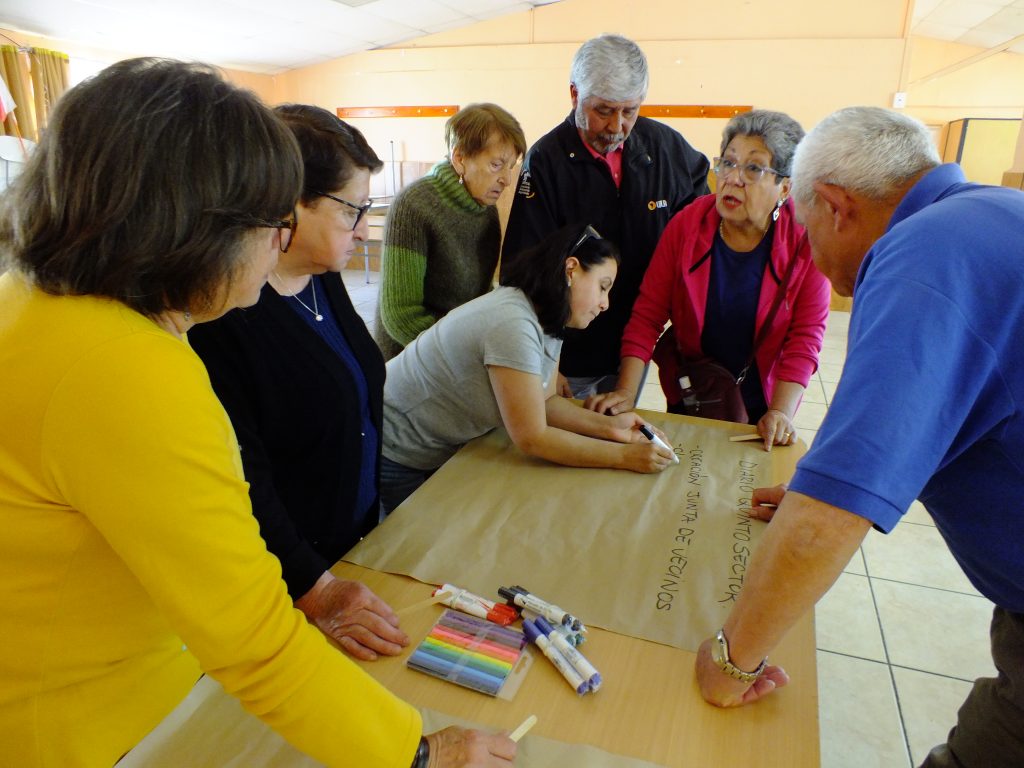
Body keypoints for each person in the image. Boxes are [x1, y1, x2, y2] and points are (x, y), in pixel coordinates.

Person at [0, 58, 513, 768]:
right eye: (273, 218)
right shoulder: (134, 371)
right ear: (194, 225)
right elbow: (252, 636)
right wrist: (418, 753)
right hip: (102, 728)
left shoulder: (34, 301)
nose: (279, 240)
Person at [692, 107, 1024, 768]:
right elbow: (912, 420)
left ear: (838, 207)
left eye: (806, 226)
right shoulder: (991, 212)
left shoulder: (920, 256)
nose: (808, 251)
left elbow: (828, 521)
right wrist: (810, 486)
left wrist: (731, 661)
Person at [189, 105, 405, 662]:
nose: (363, 227)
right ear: (290, 203)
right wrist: (318, 589)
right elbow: (246, 482)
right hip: (292, 581)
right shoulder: (226, 315)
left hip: (352, 544)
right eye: (353, 210)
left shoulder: (321, 275)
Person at [380, 224, 675, 514]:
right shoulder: (512, 323)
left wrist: (613, 428)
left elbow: (545, 403)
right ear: (571, 270)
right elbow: (533, 437)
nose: (604, 304)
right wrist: (625, 456)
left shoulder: (548, 318)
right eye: (602, 287)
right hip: (396, 449)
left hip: (438, 446)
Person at [587, 110, 831, 450]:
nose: (733, 178)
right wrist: (627, 392)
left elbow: (805, 337)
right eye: (728, 163)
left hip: (765, 403)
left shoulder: (805, 242)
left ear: (785, 187)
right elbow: (648, 313)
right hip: (696, 391)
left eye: (754, 168)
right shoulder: (688, 225)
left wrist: (780, 411)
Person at [501, 34, 710, 399]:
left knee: (614, 427)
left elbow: (702, 230)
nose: (616, 127)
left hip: (636, 343)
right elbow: (525, 273)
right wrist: (551, 359)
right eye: (603, 110)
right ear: (574, 95)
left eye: (630, 111)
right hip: (571, 352)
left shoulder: (666, 148)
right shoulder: (546, 161)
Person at [375, 103, 526, 360]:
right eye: (496, 165)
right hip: (412, 359)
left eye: (510, 167)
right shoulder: (413, 206)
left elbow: (479, 292)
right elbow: (400, 316)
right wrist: (468, 354)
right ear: (460, 158)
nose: (507, 179)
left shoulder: (485, 210)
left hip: (457, 347)